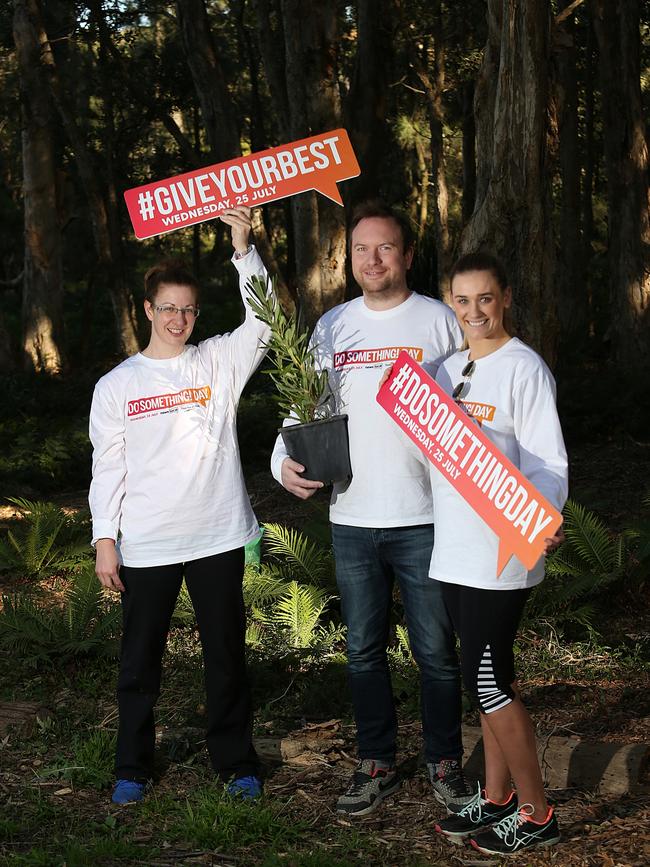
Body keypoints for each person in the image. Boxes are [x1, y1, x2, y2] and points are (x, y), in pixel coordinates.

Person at [271, 200, 473, 817]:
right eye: (362, 249)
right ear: (349, 257)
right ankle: (377, 762)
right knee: (363, 649)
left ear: (407, 255)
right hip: (352, 517)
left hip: (426, 516)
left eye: (386, 247)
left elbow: (477, 401)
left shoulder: (440, 321)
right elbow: (300, 403)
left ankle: (445, 763)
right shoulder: (331, 327)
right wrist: (283, 462)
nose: (374, 259)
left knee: (436, 651)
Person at [89, 208, 268, 804]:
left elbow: (264, 325)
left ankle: (235, 761)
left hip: (217, 536)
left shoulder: (217, 361)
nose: (179, 319)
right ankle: (131, 768)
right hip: (149, 542)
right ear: (147, 310)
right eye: (168, 308)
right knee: (139, 664)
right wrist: (105, 538)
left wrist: (244, 250)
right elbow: (108, 467)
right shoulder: (117, 385)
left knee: (226, 657)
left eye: (188, 309)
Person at [430, 252, 567, 854]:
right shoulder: (443, 370)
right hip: (454, 550)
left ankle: (538, 814)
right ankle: (496, 798)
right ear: (450, 303)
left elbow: (546, 460)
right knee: (481, 678)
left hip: (502, 552)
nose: (474, 311)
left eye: (485, 298)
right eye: (462, 300)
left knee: (489, 682)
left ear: (504, 297)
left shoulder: (524, 369)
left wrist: (545, 512)